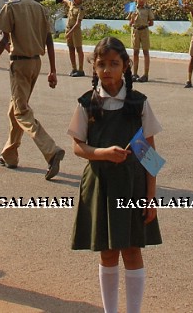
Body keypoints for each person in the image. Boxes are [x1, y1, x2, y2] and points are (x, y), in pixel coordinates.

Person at [69, 37, 162, 313]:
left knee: (132, 251)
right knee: (107, 251)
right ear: (93, 68)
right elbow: (77, 146)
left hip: (132, 187)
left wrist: (151, 197)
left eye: (114, 63)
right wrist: (102, 154)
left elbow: (149, 155)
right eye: (101, 64)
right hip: (100, 185)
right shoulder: (88, 104)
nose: (107, 70)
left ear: (126, 66)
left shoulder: (138, 104)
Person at [0, 0, 64, 179]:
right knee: (14, 111)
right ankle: (9, 154)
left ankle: (51, 151)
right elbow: (49, 40)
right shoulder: (39, 8)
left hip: (19, 64)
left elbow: (4, 39)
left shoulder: (11, 7)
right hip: (35, 64)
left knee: (21, 112)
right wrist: (53, 71)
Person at [127, 0, 154, 83]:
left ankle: (146, 74)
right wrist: (133, 19)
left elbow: (151, 22)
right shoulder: (132, 8)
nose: (141, 0)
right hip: (135, 31)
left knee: (146, 52)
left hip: (144, 31)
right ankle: (134, 73)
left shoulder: (148, 9)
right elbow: (130, 23)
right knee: (135, 52)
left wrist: (144, 25)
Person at [60, 0, 86, 78]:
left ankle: (81, 69)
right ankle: (74, 68)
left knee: (79, 49)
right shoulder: (71, 4)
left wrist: (70, 33)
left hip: (75, 31)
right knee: (71, 49)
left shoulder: (80, 9)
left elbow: (77, 23)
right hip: (69, 29)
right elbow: (65, 0)